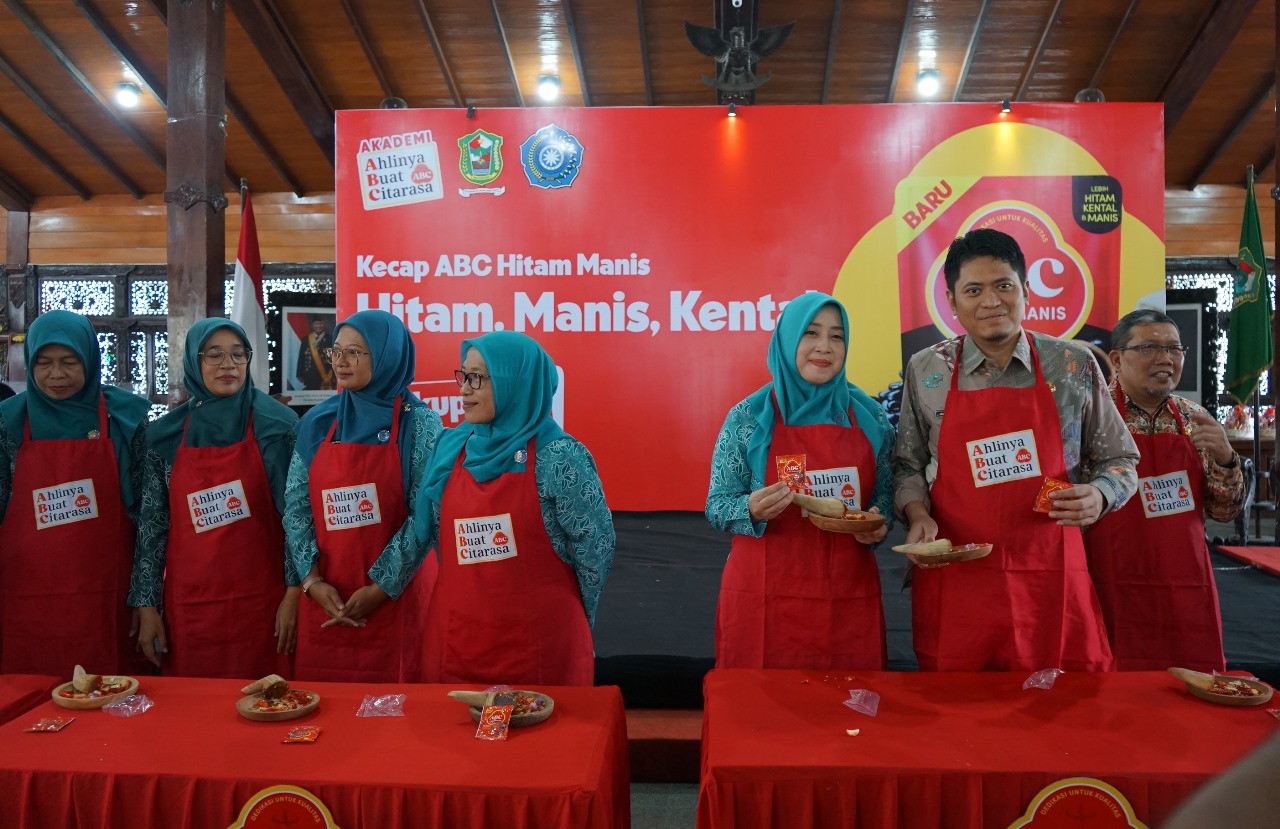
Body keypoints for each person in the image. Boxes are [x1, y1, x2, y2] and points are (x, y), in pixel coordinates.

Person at [892, 228, 1139, 672]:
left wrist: (1100, 494)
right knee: (960, 721)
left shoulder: (1072, 365)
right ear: (952, 301)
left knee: (1057, 717)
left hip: (1050, 574)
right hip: (957, 576)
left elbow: (1121, 460)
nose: (991, 301)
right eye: (973, 290)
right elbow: (908, 463)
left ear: (1026, 291)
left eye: (1003, 286)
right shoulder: (926, 368)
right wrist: (917, 515)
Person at [706, 292, 895, 669]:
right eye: (810, 333)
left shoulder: (870, 416)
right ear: (787, 338)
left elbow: (885, 496)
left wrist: (877, 524)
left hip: (846, 600)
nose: (824, 347)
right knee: (761, 719)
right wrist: (750, 508)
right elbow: (717, 505)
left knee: (849, 718)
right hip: (762, 600)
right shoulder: (748, 417)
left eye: (837, 336)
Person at [414, 331, 614, 686]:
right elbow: (427, 534)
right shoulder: (451, 448)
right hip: (457, 640)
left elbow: (595, 549)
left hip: (540, 646)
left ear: (516, 383)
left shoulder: (559, 456)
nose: (463, 389)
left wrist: (576, 620)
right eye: (463, 375)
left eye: (477, 377)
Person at [130, 319, 301, 677]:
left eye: (239, 354)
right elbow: (152, 525)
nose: (229, 365)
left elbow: (296, 521)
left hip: (265, 603)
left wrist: (294, 591)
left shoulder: (278, 426)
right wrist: (146, 604)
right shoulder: (165, 435)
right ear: (194, 361)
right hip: (192, 604)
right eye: (214, 355)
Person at [285, 309, 442, 682]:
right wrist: (311, 581)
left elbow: (426, 511)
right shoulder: (318, 421)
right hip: (325, 598)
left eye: (355, 352)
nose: (340, 361)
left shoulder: (419, 423)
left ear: (387, 355)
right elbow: (295, 504)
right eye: (336, 351)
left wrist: (381, 586)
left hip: (396, 600)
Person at [1084, 309, 1242, 672]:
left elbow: (1222, 513)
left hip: (1184, 583)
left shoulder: (1195, 418)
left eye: (1174, 348)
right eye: (1150, 348)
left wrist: (1226, 457)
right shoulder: (1089, 417)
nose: (1165, 358)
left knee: (1190, 693)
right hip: (1108, 579)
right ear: (1117, 359)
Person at [0, 310, 153, 675]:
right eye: (44, 363)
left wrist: (146, 598)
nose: (57, 375)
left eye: (70, 362)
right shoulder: (7, 422)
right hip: (25, 598)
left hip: (108, 596)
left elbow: (149, 515)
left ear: (89, 359)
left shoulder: (124, 419)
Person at [295, 315, 334, 391]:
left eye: (321, 323)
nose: (319, 326)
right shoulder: (306, 339)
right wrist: (299, 373)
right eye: (316, 324)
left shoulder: (330, 339)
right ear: (312, 325)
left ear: (324, 325)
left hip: (325, 377)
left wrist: (334, 376)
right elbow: (301, 357)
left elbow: (334, 359)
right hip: (309, 375)